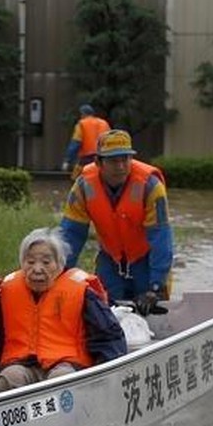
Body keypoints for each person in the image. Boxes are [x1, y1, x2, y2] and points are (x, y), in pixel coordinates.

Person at [0, 227, 127, 392]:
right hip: (21, 363)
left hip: (66, 364)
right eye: (30, 262)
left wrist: (103, 378)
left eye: (46, 262)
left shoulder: (81, 292)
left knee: (61, 381)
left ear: (60, 264)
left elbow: (108, 337)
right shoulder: (6, 293)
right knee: (9, 378)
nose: (37, 269)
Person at [58, 129, 175, 315]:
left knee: (153, 313)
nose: (121, 166)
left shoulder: (151, 186)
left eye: (125, 159)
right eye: (113, 161)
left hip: (145, 262)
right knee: (104, 312)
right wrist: (59, 274)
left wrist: (155, 286)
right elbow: (71, 234)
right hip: (110, 261)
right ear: (98, 162)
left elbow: (161, 238)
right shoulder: (83, 186)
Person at [61, 104, 111, 178]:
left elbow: (75, 143)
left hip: (87, 158)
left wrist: (67, 160)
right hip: (104, 157)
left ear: (82, 114)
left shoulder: (82, 124)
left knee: (77, 179)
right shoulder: (104, 123)